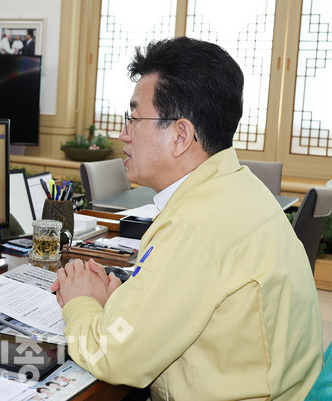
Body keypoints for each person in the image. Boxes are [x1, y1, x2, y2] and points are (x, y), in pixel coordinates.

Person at [50, 37, 323, 400]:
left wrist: (80, 300)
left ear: (180, 135)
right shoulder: (238, 187)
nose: (123, 135)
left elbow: (113, 358)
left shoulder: (196, 225)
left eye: (134, 119)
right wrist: (119, 303)